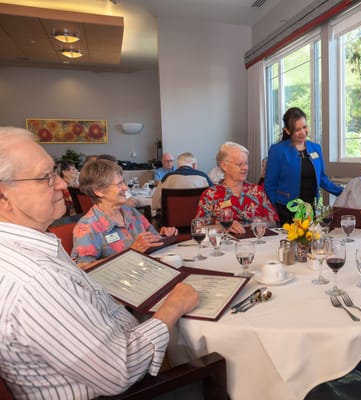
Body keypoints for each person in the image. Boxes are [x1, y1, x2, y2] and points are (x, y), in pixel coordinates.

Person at [0, 127, 198, 399]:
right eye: (47, 177)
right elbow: (119, 370)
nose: (62, 184)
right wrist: (174, 305)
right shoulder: (37, 280)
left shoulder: (33, 252)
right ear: (3, 197)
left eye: (56, 172)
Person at [72, 159, 178, 269]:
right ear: (98, 191)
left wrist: (163, 236)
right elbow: (84, 269)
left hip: (147, 270)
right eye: (119, 184)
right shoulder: (87, 228)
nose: (125, 188)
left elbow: (153, 239)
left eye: (123, 182)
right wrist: (131, 251)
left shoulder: (130, 212)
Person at [264, 107, 343, 224]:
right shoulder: (278, 150)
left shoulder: (316, 148)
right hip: (286, 209)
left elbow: (321, 178)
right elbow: (270, 184)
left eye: (305, 127)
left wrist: (343, 192)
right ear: (287, 130)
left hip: (309, 207)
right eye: (297, 130)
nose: (303, 132)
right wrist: (274, 211)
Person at [195, 142, 278, 234]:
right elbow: (198, 229)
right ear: (224, 166)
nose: (245, 168)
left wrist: (263, 223)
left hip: (256, 244)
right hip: (225, 246)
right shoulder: (210, 195)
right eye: (240, 164)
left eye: (246, 163)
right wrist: (222, 227)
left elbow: (273, 221)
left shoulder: (257, 191)